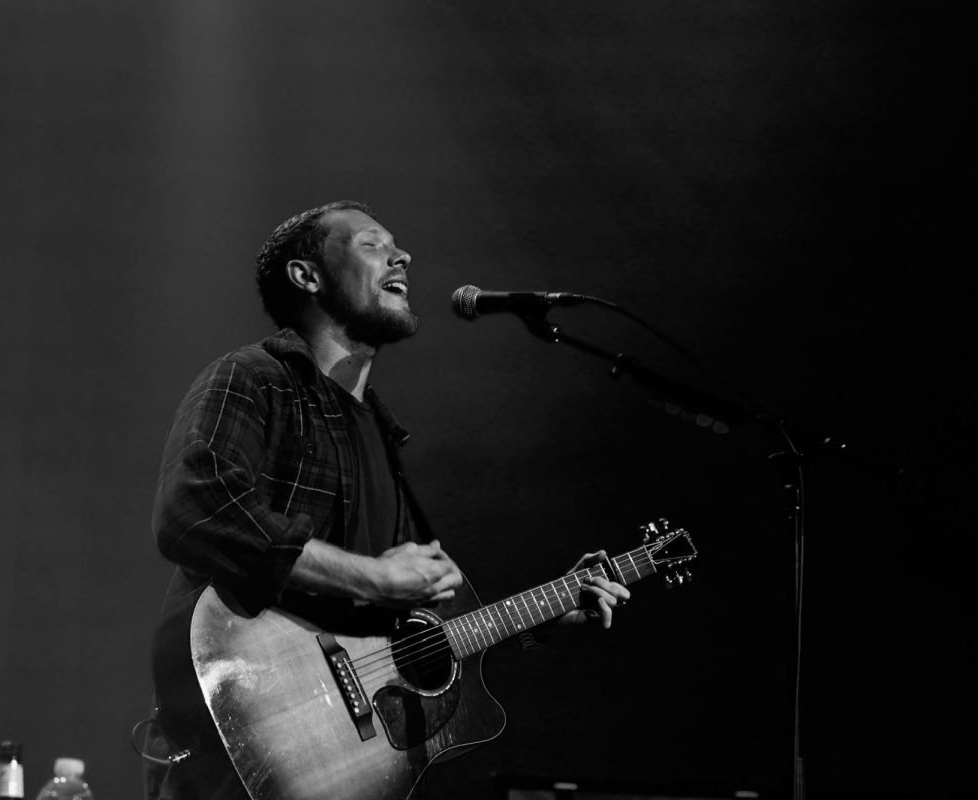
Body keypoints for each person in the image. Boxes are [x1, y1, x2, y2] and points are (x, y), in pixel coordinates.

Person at [143, 201, 630, 800]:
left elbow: (390, 643)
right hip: (241, 742)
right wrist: (373, 577)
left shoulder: (381, 433)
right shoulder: (254, 377)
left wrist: (536, 620)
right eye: (374, 245)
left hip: (341, 764)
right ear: (308, 276)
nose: (403, 256)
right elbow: (194, 510)